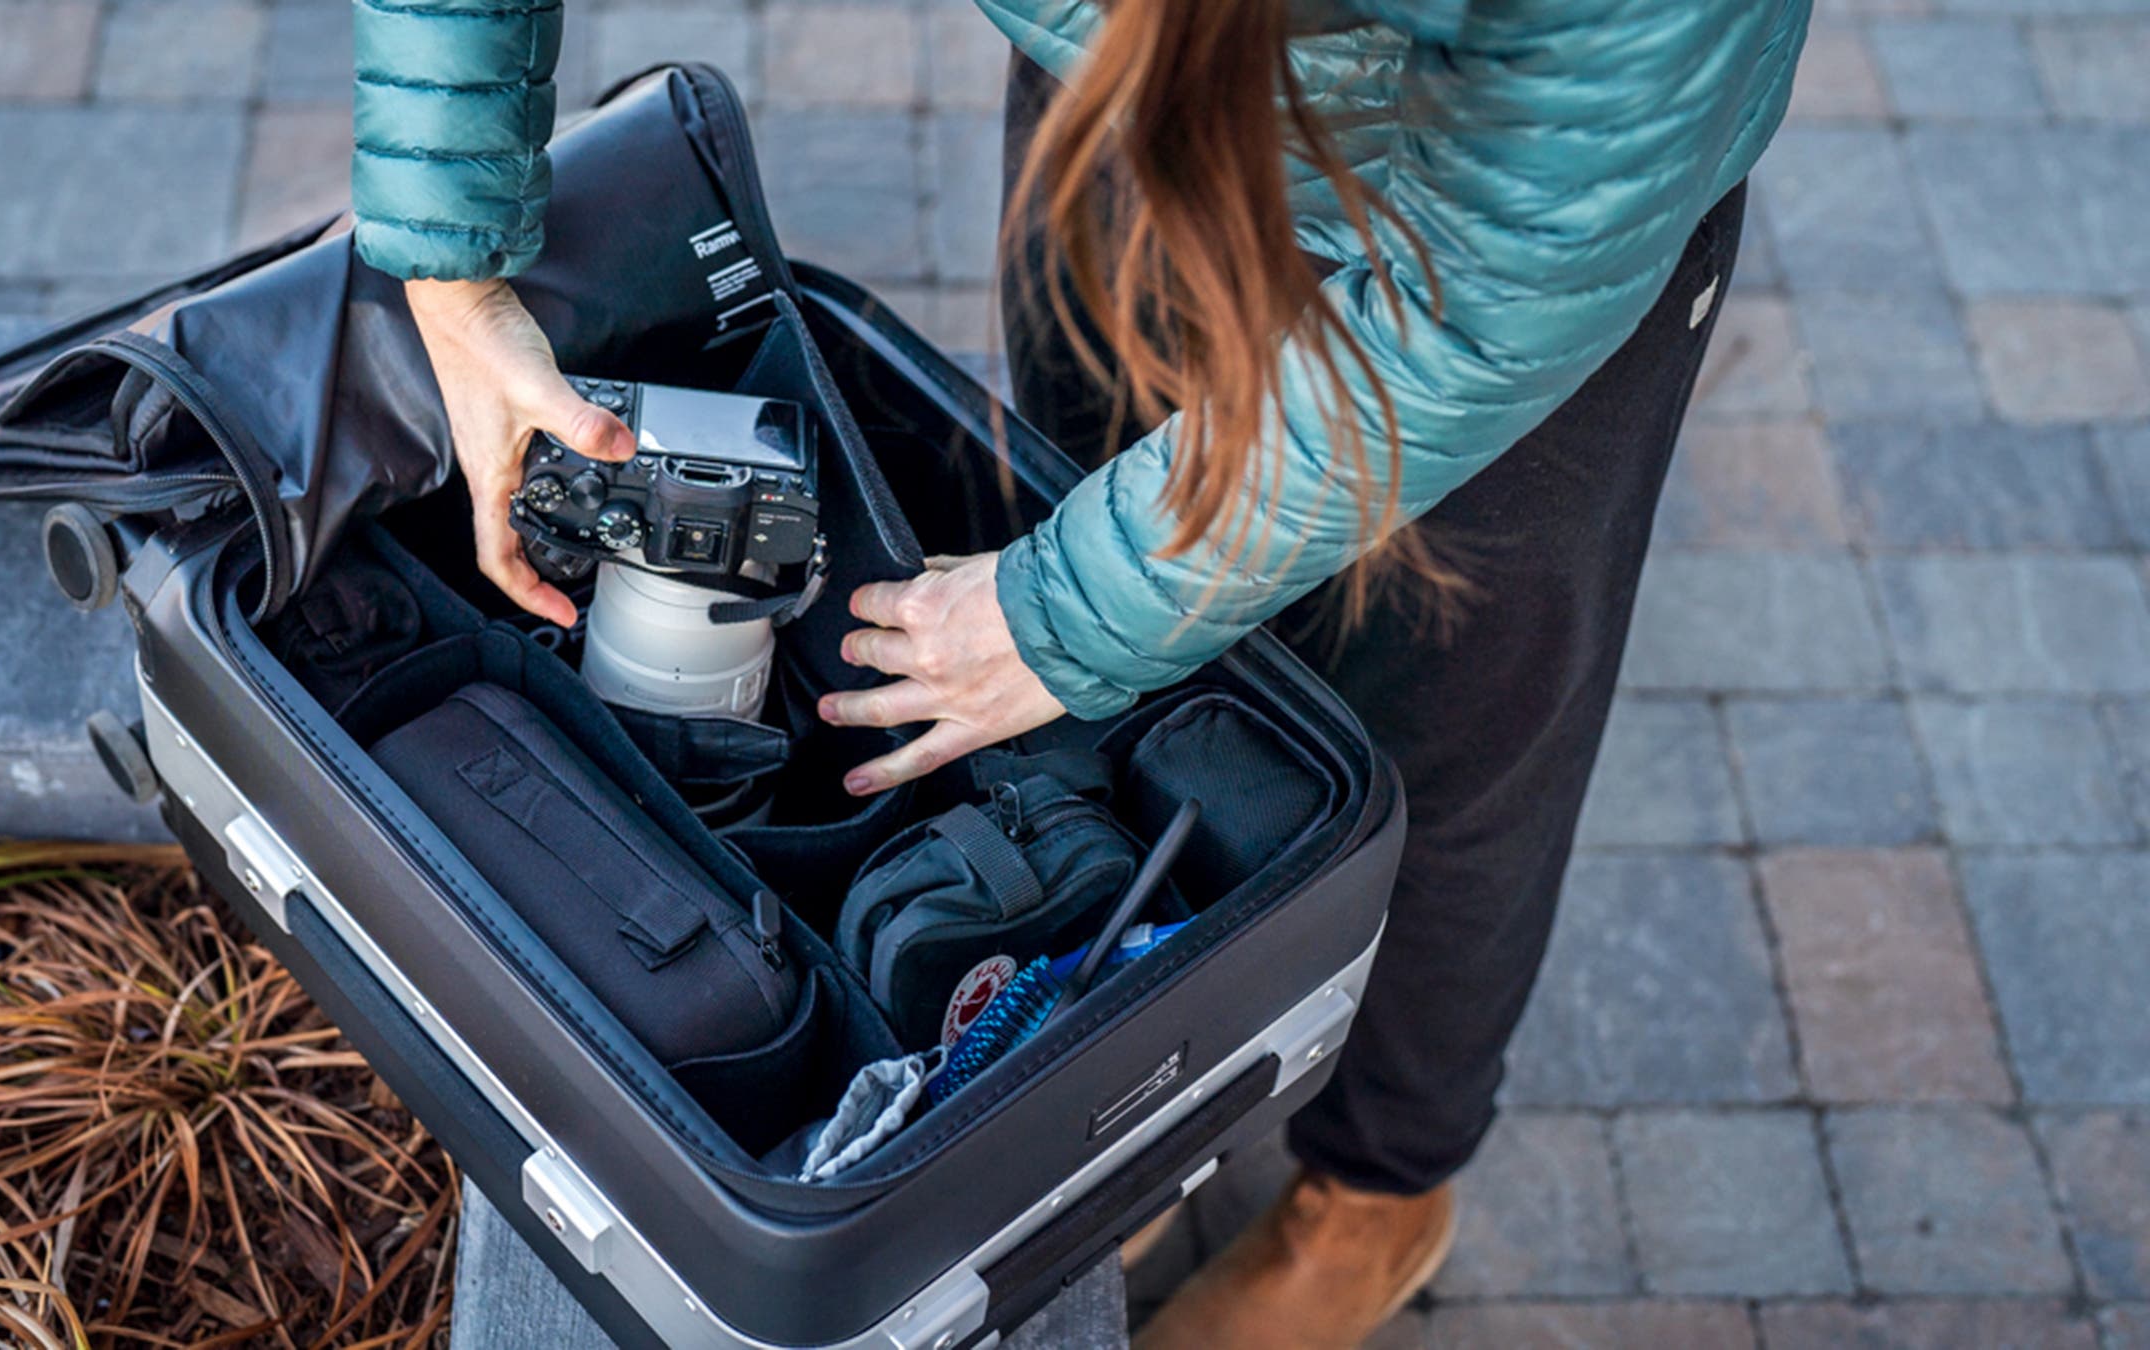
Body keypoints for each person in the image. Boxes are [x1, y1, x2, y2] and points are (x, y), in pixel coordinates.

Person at [351, 0, 1808, 1340]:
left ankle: (1373, 1195)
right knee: (1092, 562)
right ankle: (1154, 1066)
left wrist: (1066, 614)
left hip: (1517, 231)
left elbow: (1499, 295)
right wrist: (453, 243)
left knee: (1437, 762)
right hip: (1123, 70)